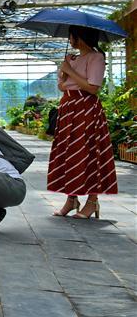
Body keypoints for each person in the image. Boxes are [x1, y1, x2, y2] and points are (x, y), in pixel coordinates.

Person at [48, 26, 118, 218]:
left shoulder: (96, 58)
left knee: (88, 151)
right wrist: (64, 73)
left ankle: (92, 201)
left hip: (85, 108)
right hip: (68, 107)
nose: (69, 39)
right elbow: (62, 86)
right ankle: (71, 199)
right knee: (69, 153)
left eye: (71, 35)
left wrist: (70, 70)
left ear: (79, 36)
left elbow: (93, 87)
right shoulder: (72, 58)